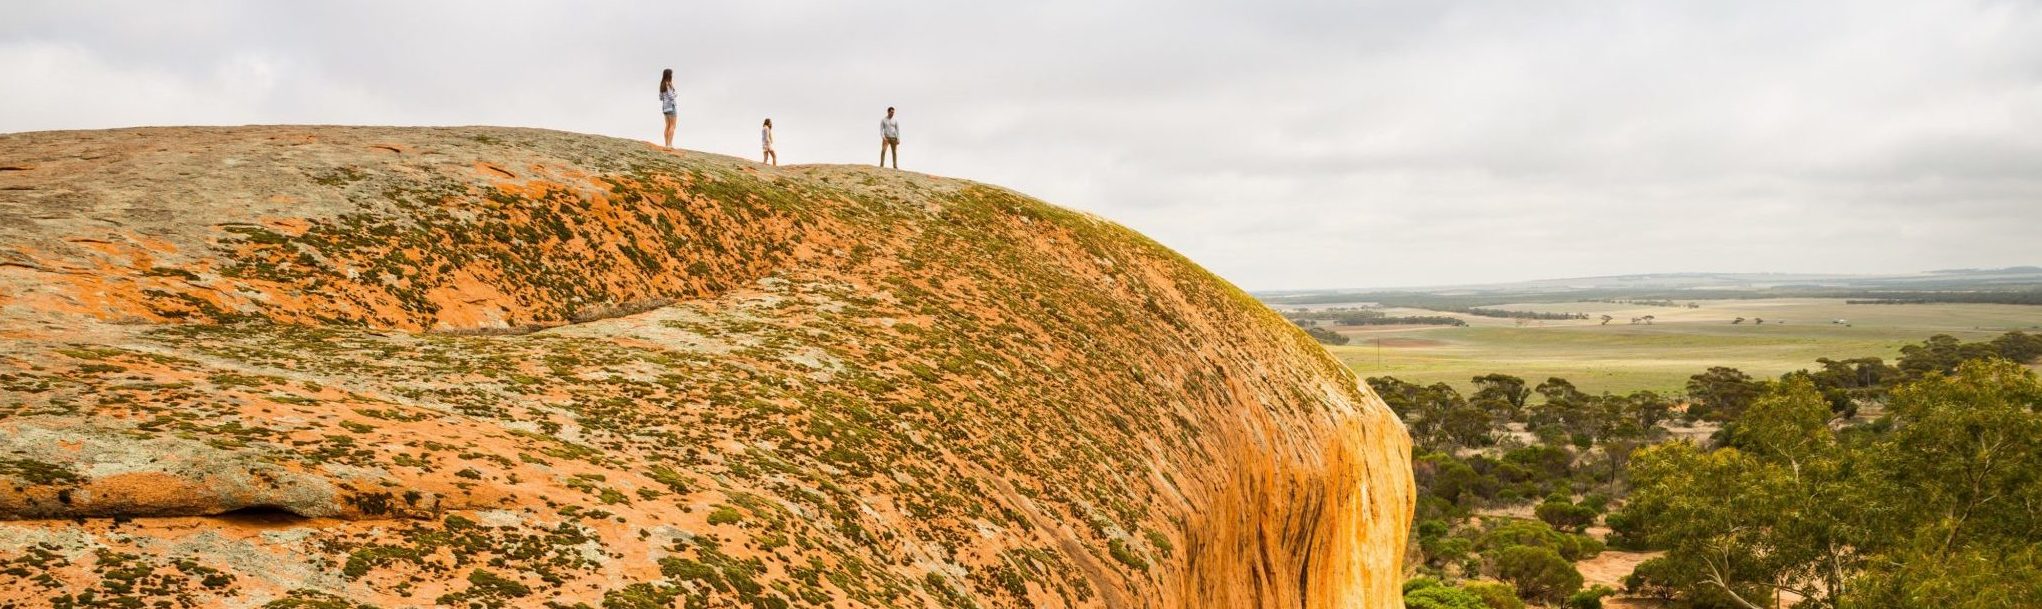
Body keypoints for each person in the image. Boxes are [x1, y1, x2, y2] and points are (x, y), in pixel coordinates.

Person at [658, 69, 677, 149]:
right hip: (671, 106)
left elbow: (660, 97)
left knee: (667, 125)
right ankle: (669, 144)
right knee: (673, 125)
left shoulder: (662, 84)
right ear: (669, 75)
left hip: (664, 108)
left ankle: (666, 144)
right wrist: (675, 94)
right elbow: (671, 96)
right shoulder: (668, 84)